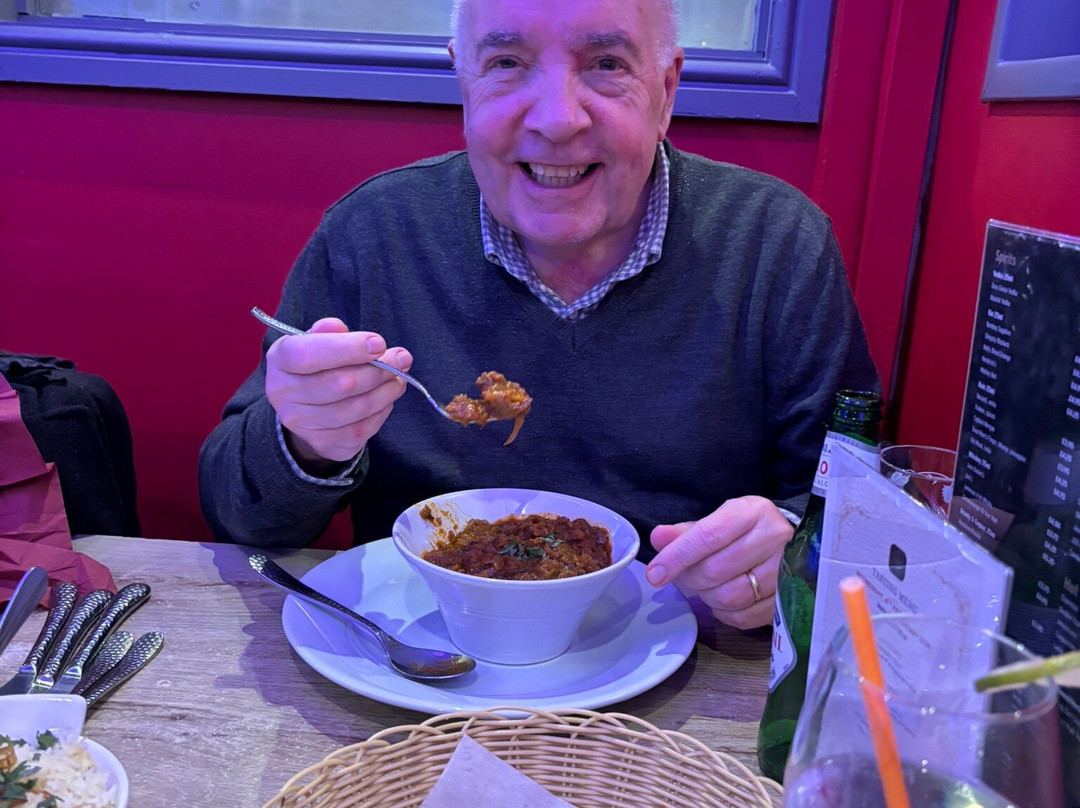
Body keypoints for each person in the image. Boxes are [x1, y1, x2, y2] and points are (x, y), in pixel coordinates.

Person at [199, 0, 879, 630]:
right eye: (507, 63)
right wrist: (306, 443)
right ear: (464, 82)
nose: (557, 119)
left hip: (685, 662)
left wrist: (792, 555)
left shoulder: (775, 245)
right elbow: (240, 518)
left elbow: (854, 515)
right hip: (419, 658)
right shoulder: (373, 235)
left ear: (666, 91)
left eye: (606, 64)